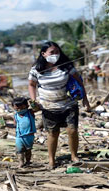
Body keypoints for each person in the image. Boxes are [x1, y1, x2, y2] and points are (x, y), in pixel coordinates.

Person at [28, 41, 90, 169]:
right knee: (52, 133)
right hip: (48, 106)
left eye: (57, 52)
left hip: (68, 103)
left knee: (72, 130)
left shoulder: (66, 67)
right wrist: (33, 100)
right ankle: (51, 160)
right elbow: (31, 85)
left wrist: (85, 99)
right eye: (52, 52)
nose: (55, 55)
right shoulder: (36, 70)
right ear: (43, 54)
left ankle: (74, 156)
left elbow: (80, 82)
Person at [12, 97, 36, 168]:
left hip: (29, 136)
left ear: (26, 106)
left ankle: (28, 161)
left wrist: (32, 103)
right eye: (17, 108)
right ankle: (21, 162)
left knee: (28, 150)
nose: (19, 109)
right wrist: (4, 125)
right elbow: (15, 125)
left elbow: (36, 108)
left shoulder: (30, 112)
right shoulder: (16, 115)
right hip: (19, 136)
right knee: (19, 150)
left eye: (21, 107)